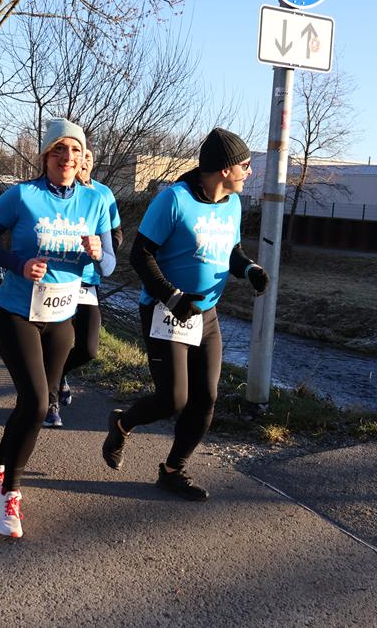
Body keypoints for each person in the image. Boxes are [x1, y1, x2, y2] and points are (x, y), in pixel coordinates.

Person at [100, 128, 269, 501]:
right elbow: (140, 255)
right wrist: (172, 297)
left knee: (206, 398)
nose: (249, 172)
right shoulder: (173, 200)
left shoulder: (233, 205)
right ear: (224, 169)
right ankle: (122, 423)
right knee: (173, 399)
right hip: (166, 310)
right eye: (245, 165)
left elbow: (232, 251)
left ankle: (174, 470)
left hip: (205, 316)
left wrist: (250, 270)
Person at [0, 118, 116, 538]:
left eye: (74, 150)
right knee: (36, 403)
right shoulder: (22, 196)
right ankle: (9, 495)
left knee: (31, 404)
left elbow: (107, 266)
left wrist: (96, 253)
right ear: (45, 157)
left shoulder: (95, 200)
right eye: (58, 151)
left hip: (62, 320)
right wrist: (18, 263)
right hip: (17, 313)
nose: (67, 158)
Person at [43, 147, 123, 428]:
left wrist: (102, 250)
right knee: (56, 342)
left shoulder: (103, 194)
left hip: (88, 281)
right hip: (58, 280)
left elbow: (115, 234)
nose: (85, 161)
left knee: (88, 348)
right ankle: (51, 403)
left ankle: (58, 372)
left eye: (89, 157)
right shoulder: (56, 194)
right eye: (81, 156)